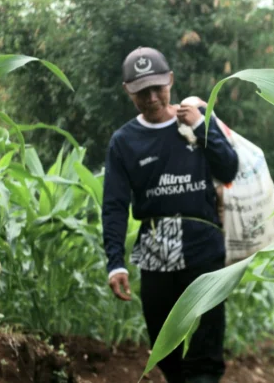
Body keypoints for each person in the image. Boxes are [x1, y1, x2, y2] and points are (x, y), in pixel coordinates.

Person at [102, 46, 239, 383]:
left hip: (204, 247)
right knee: (165, 346)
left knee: (206, 349)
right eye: (141, 91)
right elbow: (115, 205)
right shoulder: (123, 142)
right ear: (127, 92)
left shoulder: (197, 119)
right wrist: (115, 262)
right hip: (155, 251)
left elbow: (229, 168)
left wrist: (202, 125)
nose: (151, 98)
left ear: (171, 81)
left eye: (157, 88)